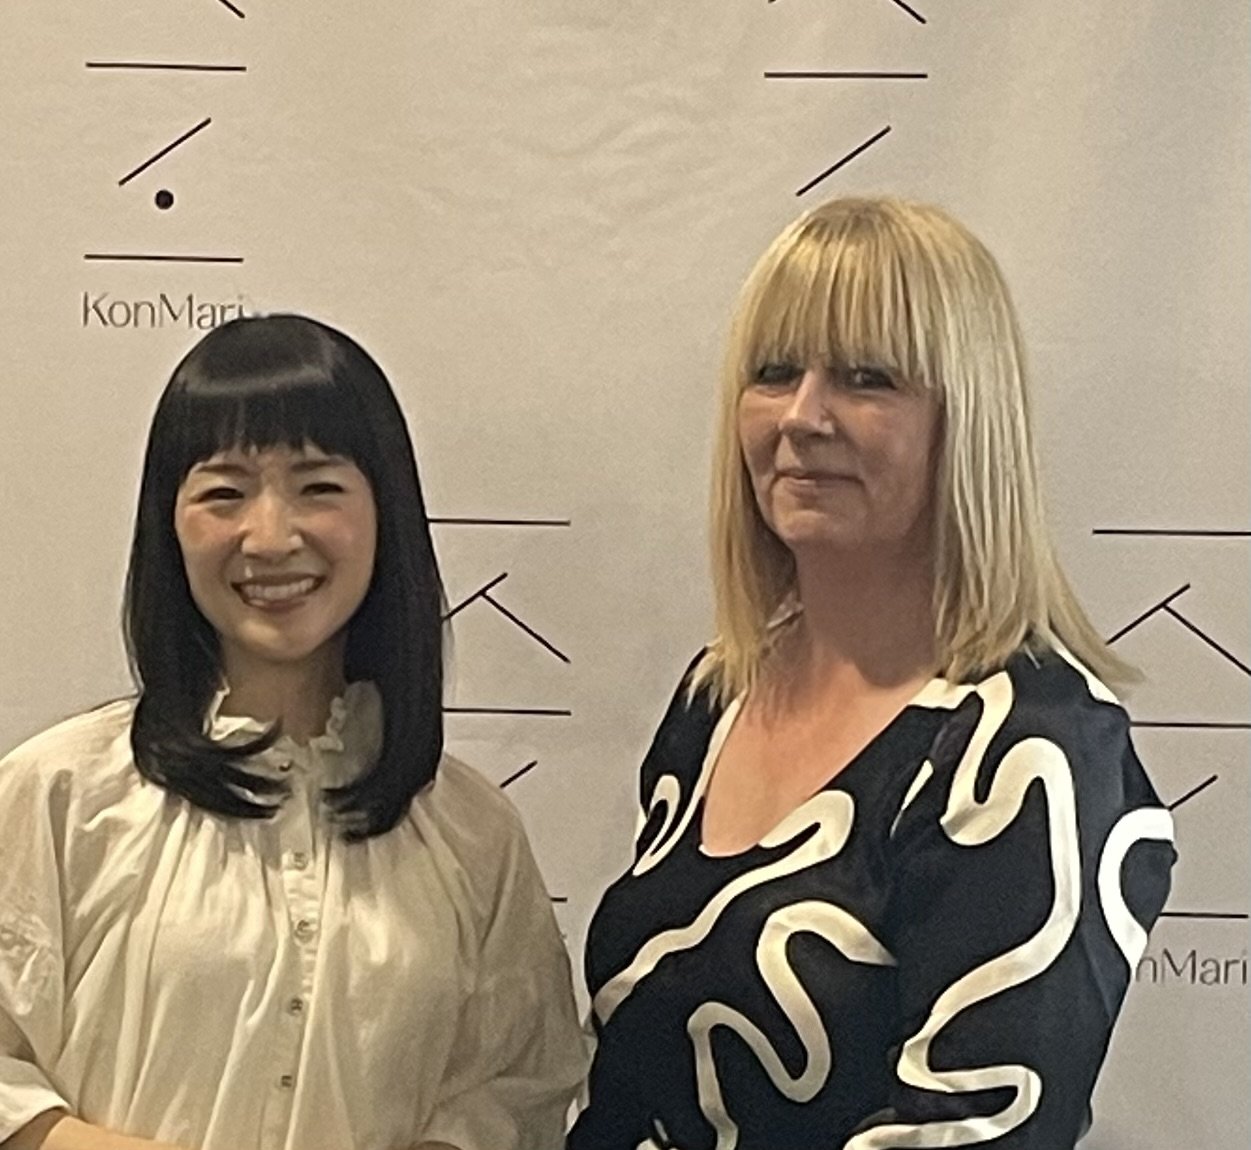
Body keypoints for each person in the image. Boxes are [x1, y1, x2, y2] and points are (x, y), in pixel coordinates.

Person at [567, 197, 1176, 1150]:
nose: (804, 417)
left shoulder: (1035, 747)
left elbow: (983, 1127)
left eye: (867, 379)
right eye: (773, 373)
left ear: (965, 420)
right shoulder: (717, 695)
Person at [0, 315, 586, 1150]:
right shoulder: (54, 795)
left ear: (385, 514)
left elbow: (516, 1093)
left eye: (318, 486)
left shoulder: (473, 833)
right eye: (224, 493)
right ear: (169, 523)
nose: (271, 537)